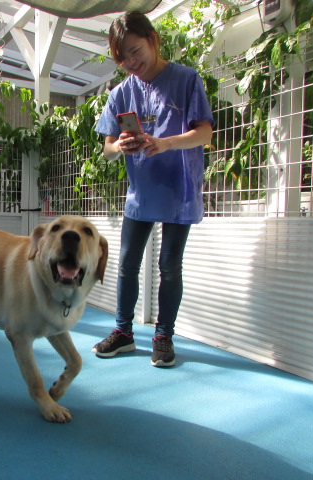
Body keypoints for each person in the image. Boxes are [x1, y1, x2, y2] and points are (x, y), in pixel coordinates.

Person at [92, 11, 214, 367]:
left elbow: (204, 132)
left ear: (152, 39)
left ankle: (163, 336)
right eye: (123, 58)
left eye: (135, 51)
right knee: (127, 264)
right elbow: (108, 149)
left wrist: (166, 143)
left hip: (179, 190)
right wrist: (122, 147)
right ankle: (124, 333)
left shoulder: (187, 80)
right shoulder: (120, 93)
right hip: (140, 194)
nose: (132, 62)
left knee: (169, 266)